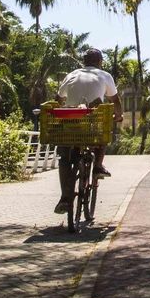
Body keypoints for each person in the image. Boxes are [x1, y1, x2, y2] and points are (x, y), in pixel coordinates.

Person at [52, 48, 120, 214]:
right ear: (100, 62)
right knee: (103, 129)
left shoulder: (72, 75)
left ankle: (65, 198)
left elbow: (58, 100)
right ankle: (97, 166)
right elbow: (115, 100)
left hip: (71, 126)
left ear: (84, 62)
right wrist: (118, 115)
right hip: (92, 126)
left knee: (64, 159)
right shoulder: (104, 75)